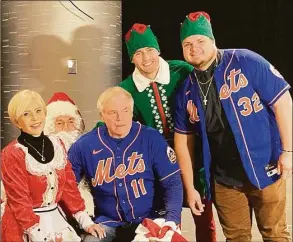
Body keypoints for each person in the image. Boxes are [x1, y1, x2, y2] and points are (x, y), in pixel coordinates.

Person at [174, 11, 292, 242]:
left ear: (213, 41)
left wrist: (288, 151)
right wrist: (190, 188)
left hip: (266, 167)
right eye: (187, 44)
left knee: (275, 234)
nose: (194, 47)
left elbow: (283, 101)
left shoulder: (245, 60)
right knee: (236, 238)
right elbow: (182, 142)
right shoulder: (186, 89)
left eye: (200, 41)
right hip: (224, 180)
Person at [96, 23, 217, 242]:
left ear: (158, 50)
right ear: (131, 58)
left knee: (203, 214)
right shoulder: (126, 88)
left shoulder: (182, 70)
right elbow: (113, 121)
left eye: (150, 50)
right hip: (156, 164)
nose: (146, 58)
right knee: (166, 220)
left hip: (193, 155)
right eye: (138, 53)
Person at [68, 87, 184, 242]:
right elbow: (65, 187)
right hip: (107, 222)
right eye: (112, 112)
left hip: (149, 219)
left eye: (125, 111)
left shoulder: (151, 138)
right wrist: (84, 221)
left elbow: (172, 182)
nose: (120, 118)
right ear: (101, 115)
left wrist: (172, 220)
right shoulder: (84, 145)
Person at [1, 90, 104, 242]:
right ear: (16, 121)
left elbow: (69, 189)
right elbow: (19, 202)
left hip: (55, 221)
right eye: (26, 114)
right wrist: (40, 236)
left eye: (38, 111)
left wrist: (86, 222)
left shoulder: (58, 145)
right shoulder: (11, 153)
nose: (35, 118)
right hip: (23, 228)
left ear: (44, 113)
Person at [44, 92, 94, 217]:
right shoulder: (39, 151)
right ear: (49, 127)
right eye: (59, 123)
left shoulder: (88, 147)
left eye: (71, 121)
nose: (66, 127)